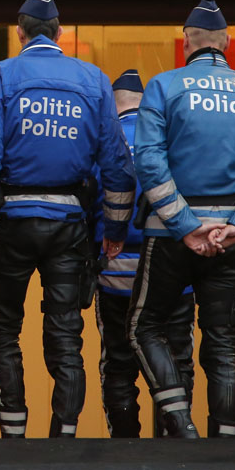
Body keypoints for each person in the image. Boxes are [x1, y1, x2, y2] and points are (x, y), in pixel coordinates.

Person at [0, 0, 136, 438]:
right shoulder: (94, 79)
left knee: (3, 328)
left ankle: (14, 435)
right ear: (61, 33)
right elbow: (117, 165)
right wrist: (115, 229)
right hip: (70, 225)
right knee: (67, 337)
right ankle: (63, 437)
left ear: (19, 33)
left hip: (14, 222)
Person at [130, 0, 235, 438]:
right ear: (227, 43)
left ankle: (180, 424)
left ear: (186, 43)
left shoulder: (163, 87)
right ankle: (225, 441)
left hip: (169, 236)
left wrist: (186, 226)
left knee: (145, 326)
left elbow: (148, 162)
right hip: (231, 240)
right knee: (224, 342)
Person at [93, 70, 196, 438]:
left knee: (119, 366)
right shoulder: (171, 140)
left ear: (113, 102)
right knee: (177, 357)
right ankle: (178, 440)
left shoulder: (104, 140)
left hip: (115, 275)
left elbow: (94, 206)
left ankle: (125, 445)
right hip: (173, 271)